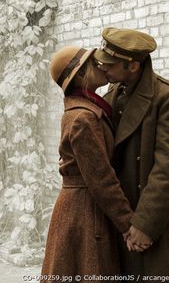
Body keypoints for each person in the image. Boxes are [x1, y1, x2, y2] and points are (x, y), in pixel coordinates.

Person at [93, 27, 169, 280]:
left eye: (110, 64)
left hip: (154, 219)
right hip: (123, 220)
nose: (103, 68)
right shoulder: (111, 95)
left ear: (133, 66)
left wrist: (145, 226)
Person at [40, 46, 134, 283]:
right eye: (93, 63)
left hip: (81, 207)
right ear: (80, 76)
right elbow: (100, 177)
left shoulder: (86, 109)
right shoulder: (83, 117)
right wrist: (128, 224)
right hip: (83, 212)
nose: (101, 65)